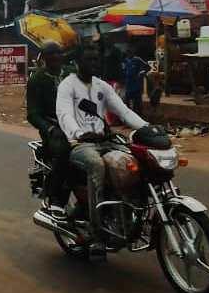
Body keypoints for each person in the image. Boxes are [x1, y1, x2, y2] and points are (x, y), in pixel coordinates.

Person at [56, 44, 150, 243]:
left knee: (133, 162)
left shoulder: (102, 86)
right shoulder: (67, 85)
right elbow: (64, 114)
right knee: (96, 165)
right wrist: (79, 133)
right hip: (79, 144)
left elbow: (124, 112)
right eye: (89, 59)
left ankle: (128, 210)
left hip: (104, 141)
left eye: (96, 59)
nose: (94, 63)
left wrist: (147, 128)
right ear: (78, 62)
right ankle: (96, 226)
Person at [26, 43, 77, 219]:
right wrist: (49, 128)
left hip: (79, 125)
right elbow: (33, 114)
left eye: (58, 53)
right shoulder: (36, 80)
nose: (55, 56)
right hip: (55, 128)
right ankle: (57, 199)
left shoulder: (71, 73)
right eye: (51, 54)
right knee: (66, 153)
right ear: (44, 57)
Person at [122, 45, 150, 115]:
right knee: (127, 102)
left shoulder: (137, 59)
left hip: (136, 85)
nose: (129, 54)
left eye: (130, 52)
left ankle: (139, 116)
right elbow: (123, 71)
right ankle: (128, 116)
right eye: (128, 52)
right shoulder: (125, 61)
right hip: (128, 85)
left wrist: (142, 73)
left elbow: (148, 67)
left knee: (137, 103)